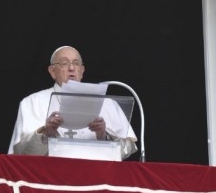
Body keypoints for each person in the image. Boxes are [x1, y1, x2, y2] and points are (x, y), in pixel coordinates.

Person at [8, 46, 137, 159]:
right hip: (50, 176)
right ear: (52, 71)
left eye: (76, 63)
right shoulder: (33, 102)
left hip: (96, 176)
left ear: (82, 70)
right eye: (64, 63)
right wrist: (47, 133)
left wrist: (103, 137)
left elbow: (127, 147)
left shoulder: (108, 104)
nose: (71, 68)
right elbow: (21, 152)